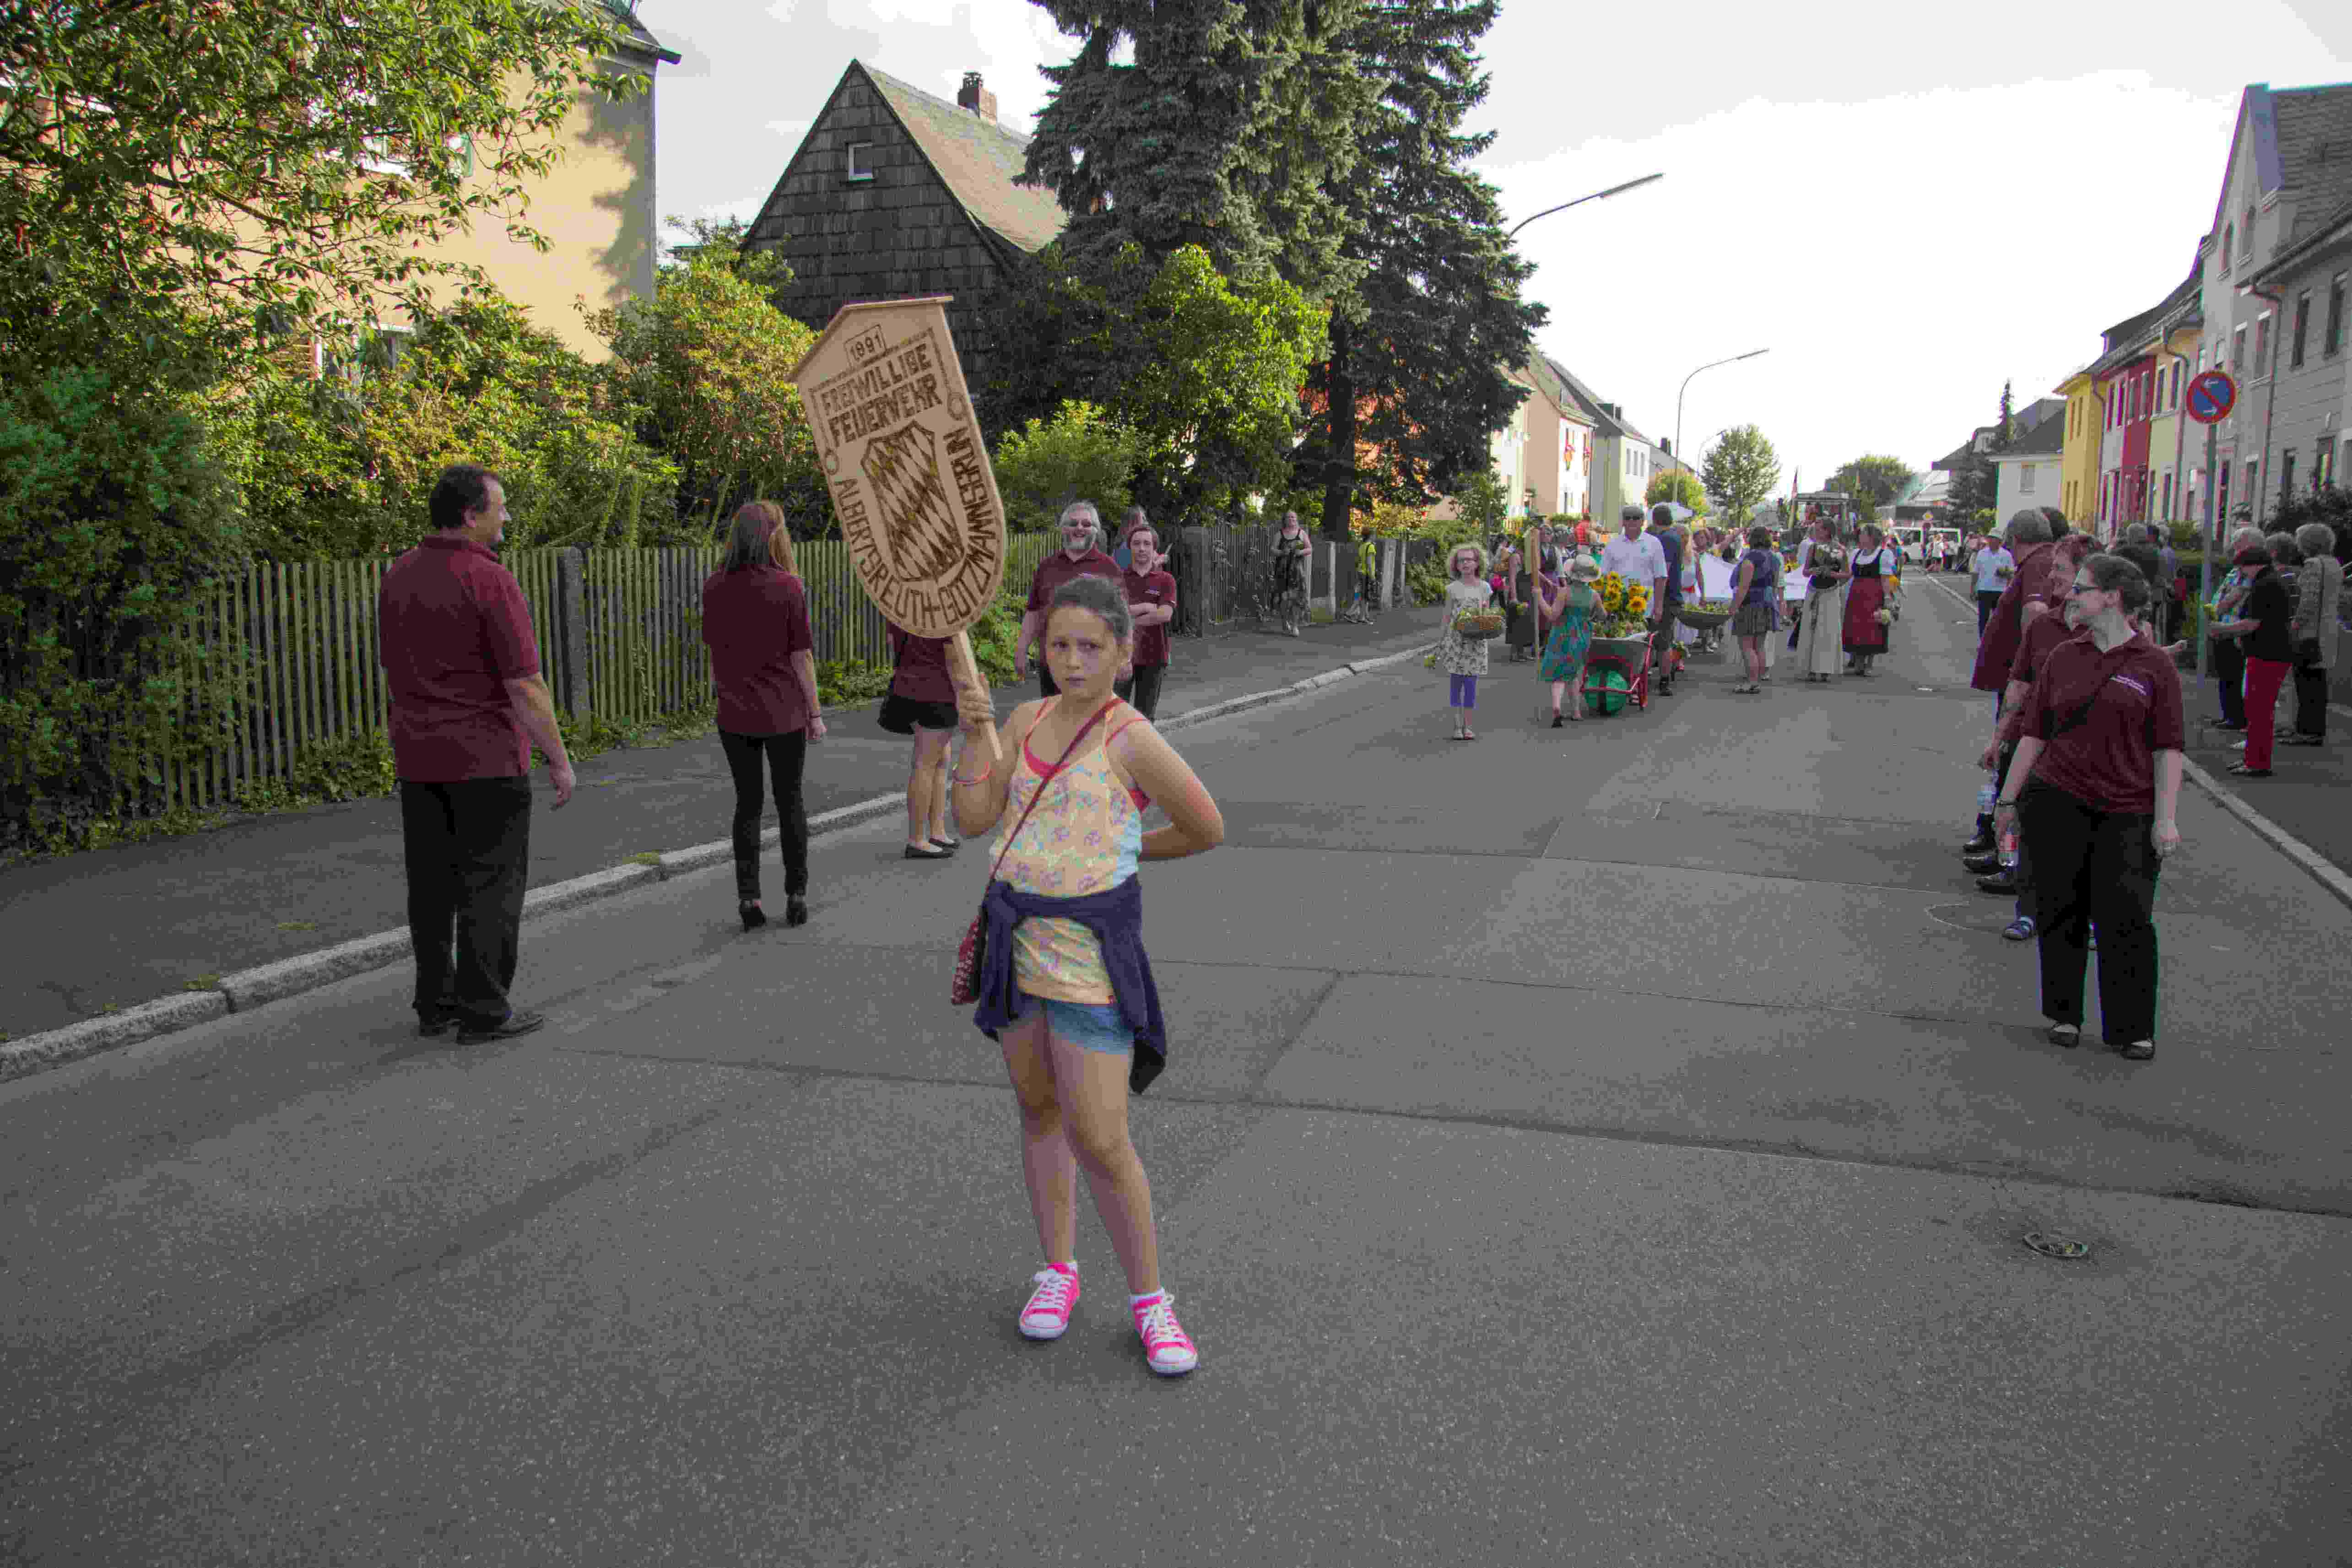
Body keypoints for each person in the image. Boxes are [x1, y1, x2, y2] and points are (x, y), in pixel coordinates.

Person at [951, 574, 1225, 1377]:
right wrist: (976, 742)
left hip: (1088, 963)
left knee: (1101, 1140)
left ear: (1121, 651)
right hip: (1016, 951)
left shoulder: (1128, 735)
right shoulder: (1021, 719)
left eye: (1089, 647)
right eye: (1058, 644)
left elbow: (1203, 826)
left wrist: (1123, 857)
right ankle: (1057, 1272)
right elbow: (972, 820)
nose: (1070, 661)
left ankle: (1151, 1303)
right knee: (1037, 1112)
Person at [378, 464, 573, 1043]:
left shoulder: (399, 575)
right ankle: (484, 1007)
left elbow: (393, 668)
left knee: (432, 886)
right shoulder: (491, 581)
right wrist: (558, 758)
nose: (506, 515)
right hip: (485, 759)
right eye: (500, 506)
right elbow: (524, 684)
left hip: (419, 757)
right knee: (491, 884)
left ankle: (435, 1002)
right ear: (471, 515)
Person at [1994, 554, 2183, 1062]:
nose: (2069, 594)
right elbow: (2034, 734)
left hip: (2128, 808)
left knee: (2128, 917)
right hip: (2058, 800)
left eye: (2080, 587)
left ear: (2113, 597)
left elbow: (2168, 748)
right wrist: (2007, 800)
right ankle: (2064, 1014)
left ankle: (2132, 1028)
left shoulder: (2154, 665)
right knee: (2062, 910)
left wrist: (2166, 819)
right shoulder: (2064, 657)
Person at [702, 500, 822, 931]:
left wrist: (724, 692)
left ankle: (748, 898)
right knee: (790, 803)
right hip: (784, 713)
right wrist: (815, 712)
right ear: (774, 537)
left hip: (734, 715)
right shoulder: (789, 587)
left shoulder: (714, 586)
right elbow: (801, 657)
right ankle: (796, 893)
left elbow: (715, 654)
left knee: (747, 805)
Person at [1968, 533, 2096, 928]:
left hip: (2085, 752)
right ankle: (2026, 909)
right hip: (2034, 739)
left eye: (2061, 570)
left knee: (2079, 838)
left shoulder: (2108, 632)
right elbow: (2019, 684)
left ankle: (2083, 917)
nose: (2052, 577)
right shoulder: (2044, 626)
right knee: (2024, 820)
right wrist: (1998, 737)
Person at [2210, 538, 2297, 777]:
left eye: (2242, 567)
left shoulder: (2264, 585)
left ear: (2254, 565)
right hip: (2271, 652)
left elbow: (2252, 624)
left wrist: (2222, 629)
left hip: (2267, 653)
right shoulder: (2270, 581)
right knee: (2258, 710)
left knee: (2258, 711)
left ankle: (2257, 763)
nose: (2241, 573)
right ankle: (2254, 759)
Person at [1017, 503, 1123, 699]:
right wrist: (1022, 648)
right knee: (1053, 722)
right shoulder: (1047, 567)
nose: (1080, 528)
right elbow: (1033, 612)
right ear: (1063, 528)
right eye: (1073, 523)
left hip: (1094, 666)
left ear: (1096, 530)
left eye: (1086, 524)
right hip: (1052, 663)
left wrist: (1125, 658)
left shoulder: (1110, 569)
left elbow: (1122, 620)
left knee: (1090, 725)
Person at [881, 623, 960, 862]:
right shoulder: (944, 615)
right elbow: (954, 661)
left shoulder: (902, 611)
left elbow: (892, 645)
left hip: (906, 691)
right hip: (938, 694)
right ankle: (917, 839)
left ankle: (936, 832)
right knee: (925, 764)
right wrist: (965, 698)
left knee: (938, 760)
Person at [2204, 525, 2267, 730]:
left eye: (2238, 544)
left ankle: (2236, 718)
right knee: (2226, 675)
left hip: (2234, 629)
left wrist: (2219, 610)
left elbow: (2237, 594)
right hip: (2224, 627)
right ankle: (2229, 715)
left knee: (2234, 676)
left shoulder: (2250, 570)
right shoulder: (2238, 568)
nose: (2234, 548)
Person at [1116, 523, 1178, 719]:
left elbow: (1165, 614)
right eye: (1136, 544)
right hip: (1121, 658)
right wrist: (1145, 607)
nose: (1142, 548)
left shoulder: (1165, 580)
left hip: (1154, 657)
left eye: (1146, 544)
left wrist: (1131, 619)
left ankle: (1140, 752)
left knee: (1145, 719)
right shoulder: (1119, 579)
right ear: (1130, 547)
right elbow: (1115, 614)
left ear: (1154, 549)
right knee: (1116, 718)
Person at [2287, 522, 2341, 746]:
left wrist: (2296, 625)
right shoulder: (2334, 564)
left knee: (2305, 683)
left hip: (2310, 634)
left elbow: (2308, 601)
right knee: (2318, 685)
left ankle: (2306, 731)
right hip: (2327, 632)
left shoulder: (2312, 565)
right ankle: (2313, 730)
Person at [1435, 541, 1494, 739]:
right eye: (1461, 560)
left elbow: (1487, 614)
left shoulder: (1485, 587)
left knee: (1471, 685)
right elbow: (1446, 616)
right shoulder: (1452, 588)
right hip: (1456, 641)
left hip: (1476, 643)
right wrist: (1440, 641)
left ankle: (1468, 727)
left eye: (1470, 560)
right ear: (1456, 565)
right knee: (1456, 684)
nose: (1466, 563)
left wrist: (1490, 625)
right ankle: (1456, 727)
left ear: (1477, 563)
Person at [1537, 555, 1601, 725]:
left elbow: (1552, 616)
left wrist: (1539, 598)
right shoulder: (1594, 595)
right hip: (1581, 636)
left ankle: (1557, 707)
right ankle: (1576, 711)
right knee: (1575, 672)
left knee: (1558, 673)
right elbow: (1603, 615)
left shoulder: (1565, 592)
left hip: (1561, 634)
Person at [1726, 525, 1780, 695]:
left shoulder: (1751, 559)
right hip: (1767, 604)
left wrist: (1733, 608)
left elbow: (1744, 588)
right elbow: (1775, 583)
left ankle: (1752, 682)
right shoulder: (1774, 558)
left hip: (1750, 605)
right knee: (1760, 646)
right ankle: (1758, 679)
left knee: (1747, 646)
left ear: (1752, 539)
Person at [1841, 523, 1898, 676]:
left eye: (1863, 534)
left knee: (1872, 627)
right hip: (1857, 595)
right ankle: (1859, 664)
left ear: (1871, 537)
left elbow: (1885, 579)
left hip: (1874, 595)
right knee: (1857, 626)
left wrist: (1887, 598)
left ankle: (1869, 665)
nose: (1860, 536)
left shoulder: (1883, 555)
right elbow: (1848, 575)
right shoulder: (1856, 554)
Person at [1795, 523, 1848, 683]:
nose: (1816, 533)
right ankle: (1811, 668)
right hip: (1813, 591)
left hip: (1830, 592)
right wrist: (1813, 571)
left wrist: (1833, 575)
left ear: (1828, 531)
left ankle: (1826, 669)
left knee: (1827, 631)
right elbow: (1805, 572)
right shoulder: (1813, 548)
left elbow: (1848, 573)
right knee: (1811, 629)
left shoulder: (1840, 550)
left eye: (1820, 530)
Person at [1648, 504, 1685, 696]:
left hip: (1666, 597)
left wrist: (1657, 599)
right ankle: (1663, 678)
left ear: (1655, 520)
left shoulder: (1666, 539)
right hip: (1671, 596)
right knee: (1664, 639)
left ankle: (1664, 681)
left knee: (1662, 640)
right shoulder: (1674, 537)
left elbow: (1665, 570)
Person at [1271, 510, 1312, 636]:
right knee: (1284, 599)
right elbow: (1273, 549)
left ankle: (1295, 626)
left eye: (1293, 517)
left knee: (1296, 600)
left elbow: (1310, 548)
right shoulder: (1280, 534)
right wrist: (1282, 553)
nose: (1291, 519)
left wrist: (1301, 553)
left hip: (1297, 573)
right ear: (1285, 520)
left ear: (1297, 519)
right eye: (1288, 517)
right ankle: (1284, 621)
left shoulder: (1302, 533)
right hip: (1282, 572)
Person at [1970, 532, 2016, 636]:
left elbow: (2012, 574)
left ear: (2000, 541)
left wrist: (2004, 573)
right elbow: (1976, 572)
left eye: (1994, 539)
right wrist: (1972, 589)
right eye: (1990, 539)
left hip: (2000, 591)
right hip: (1984, 590)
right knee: (1983, 620)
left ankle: (1997, 643)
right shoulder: (1982, 553)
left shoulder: (2007, 555)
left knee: (1999, 620)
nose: (1991, 541)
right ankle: (1983, 643)